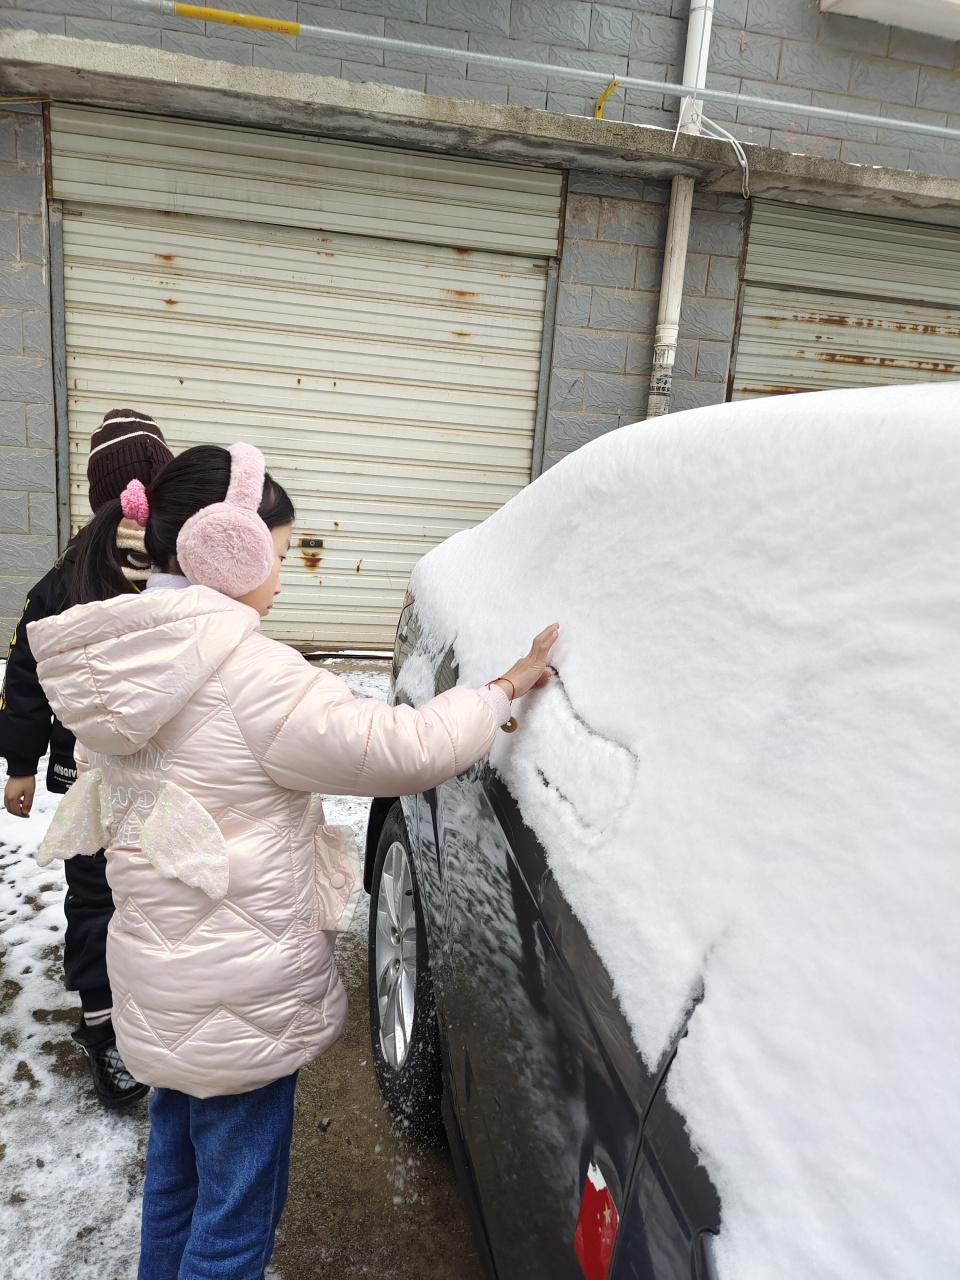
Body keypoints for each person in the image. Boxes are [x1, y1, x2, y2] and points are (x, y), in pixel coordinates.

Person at [27, 440, 558, 1280]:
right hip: (240, 1001)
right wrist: (498, 690)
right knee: (237, 1220)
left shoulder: (125, 657)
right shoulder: (251, 674)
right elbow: (399, 747)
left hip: (164, 989)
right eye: (277, 556)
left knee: (177, 1184)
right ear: (226, 552)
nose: (282, 575)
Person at [0, 407, 173, 1109]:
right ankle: (104, 1025)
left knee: (135, 886)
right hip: (109, 780)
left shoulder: (170, 570)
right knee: (108, 890)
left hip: (147, 776)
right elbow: (25, 673)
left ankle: (140, 1003)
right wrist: (19, 762)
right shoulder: (69, 580)